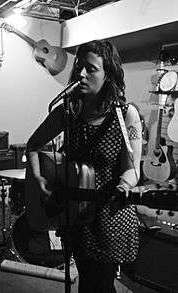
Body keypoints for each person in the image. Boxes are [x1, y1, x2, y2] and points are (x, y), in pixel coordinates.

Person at [26, 39, 142, 293]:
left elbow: (133, 168)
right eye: (80, 66)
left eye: (90, 69)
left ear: (108, 74)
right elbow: (33, 145)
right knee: (88, 283)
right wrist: (39, 178)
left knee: (99, 284)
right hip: (76, 215)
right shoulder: (69, 112)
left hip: (109, 215)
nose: (80, 73)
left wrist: (125, 184)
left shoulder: (125, 114)